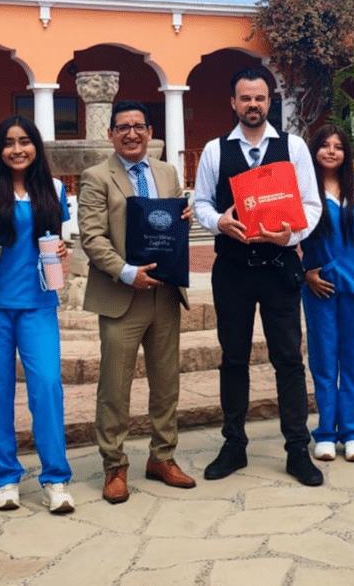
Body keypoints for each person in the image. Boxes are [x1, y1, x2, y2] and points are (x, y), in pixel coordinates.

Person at [193, 67, 324, 486]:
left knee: (288, 360)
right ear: (233, 102)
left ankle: (297, 450)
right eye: (245, 98)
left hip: (279, 268)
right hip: (232, 269)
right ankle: (234, 446)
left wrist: (293, 234)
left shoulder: (294, 146)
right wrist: (219, 223)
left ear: (270, 102)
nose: (253, 105)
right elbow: (198, 204)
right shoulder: (215, 150)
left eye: (260, 98)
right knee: (233, 360)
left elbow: (311, 203)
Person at [0, 115, 75, 514]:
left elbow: (55, 242)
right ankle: (5, 478)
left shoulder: (53, 188)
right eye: (8, 142)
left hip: (39, 304)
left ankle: (56, 479)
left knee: (47, 388)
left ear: (36, 146)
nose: (17, 149)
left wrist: (63, 256)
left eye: (25, 141)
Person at [79, 100, 196, 504]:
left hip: (164, 292)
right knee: (115, 386)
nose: (132, 133)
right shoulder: (96, 177)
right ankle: (114, 464)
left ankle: (162, 457)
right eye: (123, 127)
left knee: (167, 383)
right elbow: (92, 238)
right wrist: (128, 271)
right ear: (111, 134)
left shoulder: (166, 173)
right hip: (121, 295)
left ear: (150, 132)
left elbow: (173, 223)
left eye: (139, 126)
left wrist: (185, 221)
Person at [300, 125, 354, 463]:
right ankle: (325, 433)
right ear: (314, 151)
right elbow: (289, 234)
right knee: (323, 362)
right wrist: (306, 272)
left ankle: (352, 433)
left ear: (346, 152)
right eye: (324, 145)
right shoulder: (303, 189)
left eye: (338, 146)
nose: (331, 151)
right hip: (321, 287)